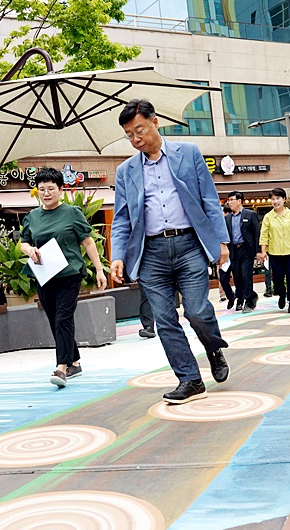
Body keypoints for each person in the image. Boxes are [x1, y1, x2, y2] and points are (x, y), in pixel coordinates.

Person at [110, 99, 230, 405]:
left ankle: (213, 348)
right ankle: (189, 379)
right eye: (129, 135)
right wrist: (118, 256)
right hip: (150, 252)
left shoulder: (188, 154)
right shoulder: (125, 171)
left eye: (139, 130)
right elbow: (122, 217)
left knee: (197, 311)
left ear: (155, 122)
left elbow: (209, 199)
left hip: (189, 245)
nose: (135, 139)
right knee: (164, 320)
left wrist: (221, 242)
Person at [20, 167, 108, 387]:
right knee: (55, 319)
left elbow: (87, 241)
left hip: (69, 274)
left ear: (61, 189)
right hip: (45, 274)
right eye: (42, 189)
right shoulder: (32, 217)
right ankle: (75, 362)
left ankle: (61, 368)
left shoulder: (72, 213)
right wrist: (29, 250)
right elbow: (24, 242)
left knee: (63, 318)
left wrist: (99, 269)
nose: (46, 193)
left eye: (51, 188)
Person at [257, 188, 290, 313]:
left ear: (284, 199)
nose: (275, 201)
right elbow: (264, 235)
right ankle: (281, 294)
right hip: (275, 252)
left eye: (278, 198)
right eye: (273, 199)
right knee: (278, 278)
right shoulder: (268, 217)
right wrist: (263, 251)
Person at [225, 191, 261, 313]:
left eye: (231, 200)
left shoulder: (250, 214)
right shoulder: (228, 218)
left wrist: (258, 251)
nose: (229, 202)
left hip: (246, 249)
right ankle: (251, 295)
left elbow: (257, 233)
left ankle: (249, 302)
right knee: (237, 278)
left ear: (239, 201)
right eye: (228, 200)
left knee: (246, 275)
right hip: (234, 250)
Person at [218, 205, 234, 306]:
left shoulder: (233, 222)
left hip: (236, 254)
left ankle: (243, 298)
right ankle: (230, 296)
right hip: (223, 256)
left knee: (240, 278)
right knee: (223, 279)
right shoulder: (219, 225)